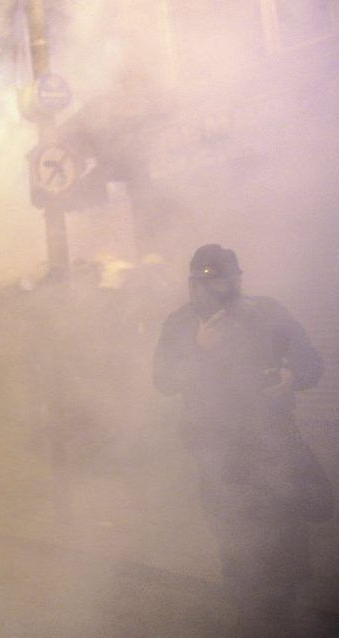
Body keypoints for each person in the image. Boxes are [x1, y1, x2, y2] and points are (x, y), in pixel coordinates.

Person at [152, 244, 332, 636]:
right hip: (218, 455)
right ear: (194, 284)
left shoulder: (266, 313)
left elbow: (311, 363)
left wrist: (290, 376)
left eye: (227, 278)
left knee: (287, 540)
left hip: (275, 443)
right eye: (210, 280)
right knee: (238, 543)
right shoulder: (182, 324)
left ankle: (285, 611)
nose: (220, 288)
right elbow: (163, 380)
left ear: (238, 279)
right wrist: (198, 351)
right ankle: (252, 615)